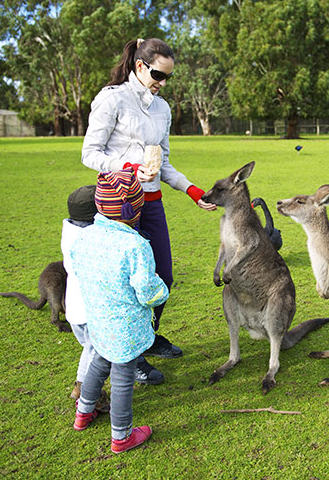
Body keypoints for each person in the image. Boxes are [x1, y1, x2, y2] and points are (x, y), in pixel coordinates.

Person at [81, 37, 216, 384]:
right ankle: (133, 356)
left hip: (151, 202)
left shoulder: (162, 108)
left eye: (168, 77)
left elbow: (164, 162)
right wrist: (128, 166)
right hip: (120, 204)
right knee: (130, 286)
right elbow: (90, 153)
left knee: (163, 279)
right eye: (158, 74)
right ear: (140, 66)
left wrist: (192, 190)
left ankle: (147, 337)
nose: (162, 82)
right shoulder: (112, 99)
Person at [70, 168, 169, 454]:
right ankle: (122, 435)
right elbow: (146, 290)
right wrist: (162, 291)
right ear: (136, 209)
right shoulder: (135, 245)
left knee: (99, 364)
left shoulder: (85, 236)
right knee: (123, 378)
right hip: (125, 329)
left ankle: (83, 413)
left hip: (98, 321)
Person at [61, 185, 109, 412]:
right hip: (90, 309)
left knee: (89, 349)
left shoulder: (69, 231)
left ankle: (80, 388)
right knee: (96, 354)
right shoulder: (90, 240)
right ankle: (89, 395)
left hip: (74, 308)